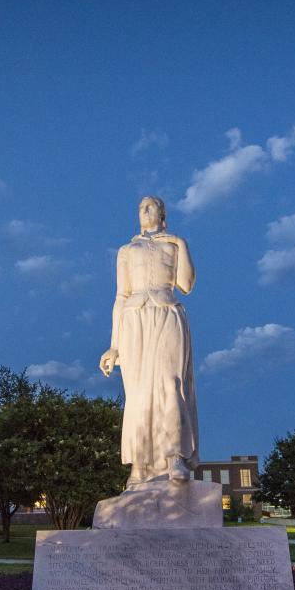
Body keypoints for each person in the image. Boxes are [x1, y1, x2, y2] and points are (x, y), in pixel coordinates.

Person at [99, 196, 199, 486]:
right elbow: (120, 296)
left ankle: (175, 458)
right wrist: (114, 344)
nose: (144, 210)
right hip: (133, 321)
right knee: (139, 394)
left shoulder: (173, 244)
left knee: (171, 384)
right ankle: (140, 466)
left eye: (150, 206)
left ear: (162, 214)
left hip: (168, 314)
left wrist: (181, 244)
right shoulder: (126, 250)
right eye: (140, 207)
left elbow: (187, 285)